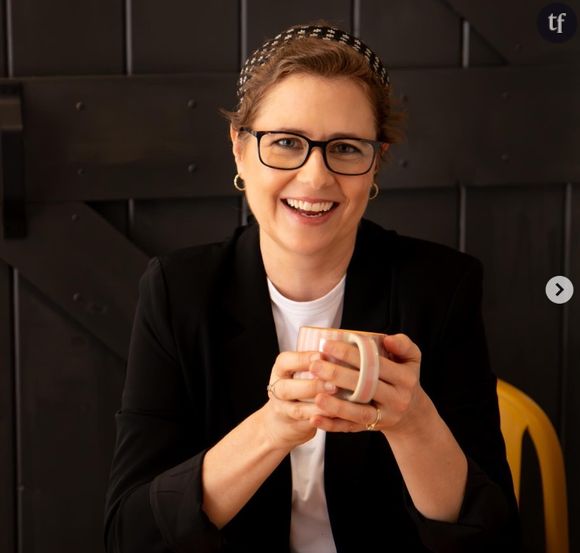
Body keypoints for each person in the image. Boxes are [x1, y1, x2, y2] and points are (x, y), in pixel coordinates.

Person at [104, 23, 521, 553]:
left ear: (376, 162)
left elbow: (496, 540)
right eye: (285, 143)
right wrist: (276, 427)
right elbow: (130, 536)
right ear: (239, 150)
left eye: (345, 148)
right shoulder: (178, 291)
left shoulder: (441, 288)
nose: (316, 178)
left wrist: (413, 422)